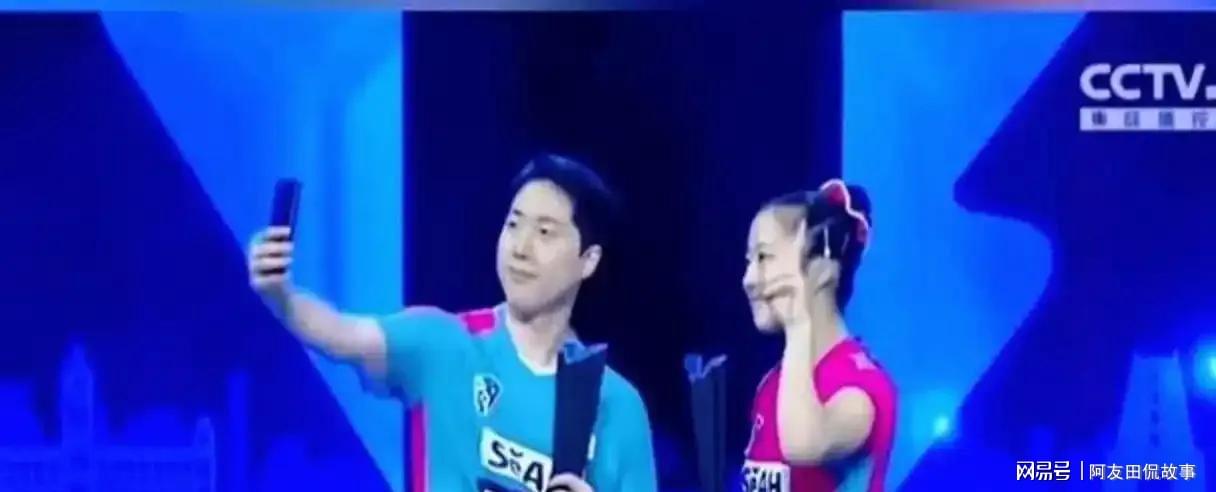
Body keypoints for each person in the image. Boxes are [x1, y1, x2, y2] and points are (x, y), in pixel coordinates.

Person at [248, 154, 657, 492]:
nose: (521, 248)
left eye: (545, 232)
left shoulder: (615, 406)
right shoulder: (442, 345)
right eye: (513, 224)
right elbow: (341, 335)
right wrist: (282, 297)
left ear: (588, 260)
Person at [739, 179, 897, 492]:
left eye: (764, 258)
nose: (749, 279)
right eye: (749, 261)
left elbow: (803, 444)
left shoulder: (859, 385)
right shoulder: (775, 382)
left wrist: (799, 323)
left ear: (822, 268)